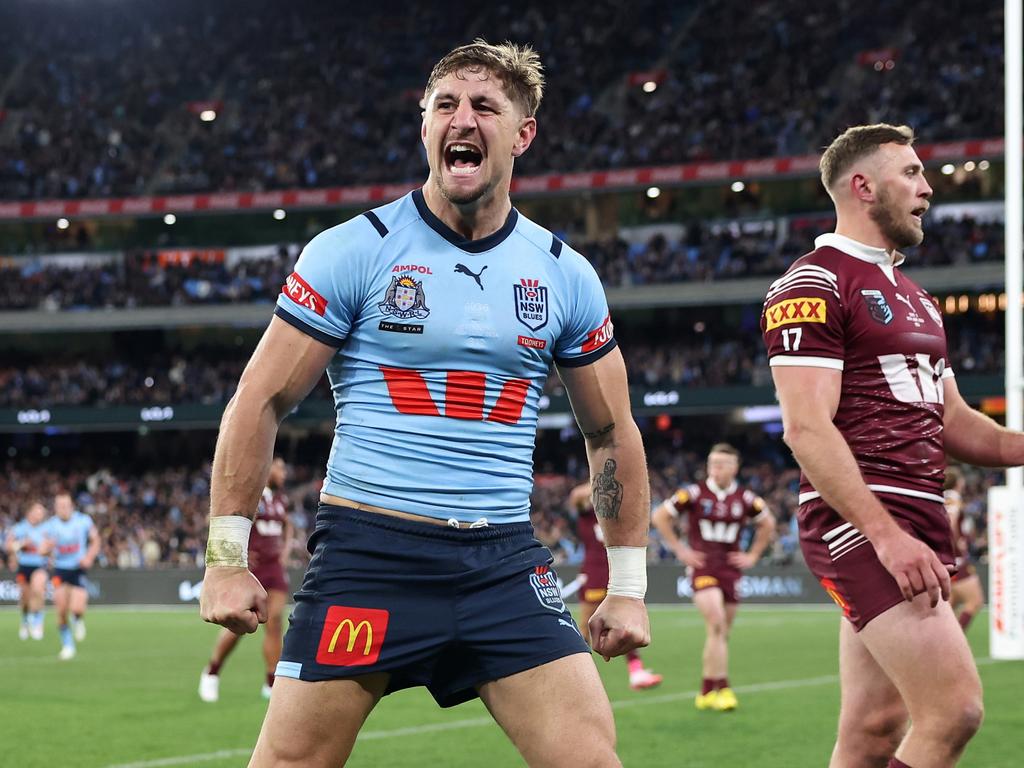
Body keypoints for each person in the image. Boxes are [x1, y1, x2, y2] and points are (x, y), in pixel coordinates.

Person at [199, 40, 651, 768]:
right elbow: (260, 399)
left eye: (482, 107)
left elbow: (610, 431)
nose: (460, 120)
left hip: (503, 561)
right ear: (425, 125)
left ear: (523, 134)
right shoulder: (355, 249)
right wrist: (225, 556)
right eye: (444, 105)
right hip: (371, 552)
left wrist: (627, 585)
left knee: (592, 760)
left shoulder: (565, 274)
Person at [761, 123, 1024, 768]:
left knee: (874, 729)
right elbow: (807, 428)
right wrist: (884, 534)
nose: (927, 189)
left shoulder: (919, 298)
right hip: (864, 519)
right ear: (862, 186)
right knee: (954, 710)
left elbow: (960, 425)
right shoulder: (813, 283)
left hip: (916, 513)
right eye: (910, 173)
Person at [651, 443, 775, 711]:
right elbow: (660, 516)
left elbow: (768, 523)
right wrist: (680, 549)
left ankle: (706, 690)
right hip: (703, 566)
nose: (715, 469)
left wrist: (753, 555)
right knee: (717, 623)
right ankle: (723, 688)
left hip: (730, 569)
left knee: (720, 633)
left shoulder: (745, 498)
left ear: (735, 468)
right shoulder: (693, 493)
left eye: (721, 464)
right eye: (712, 464)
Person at [200, 457, 295, 701]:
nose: (284, 472)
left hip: (274, 568)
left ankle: (271, 681)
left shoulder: (280, 500)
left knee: (274, 622)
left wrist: (285, 551)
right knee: (238, 625)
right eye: (279, 467)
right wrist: (234, 552)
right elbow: (222, 516)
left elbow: (288, 525)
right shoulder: (253, 495)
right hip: (251, 568)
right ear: (268, 466)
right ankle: (212, 671)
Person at [567, 482, 662, 691]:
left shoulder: (614, 511)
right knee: (585, 626)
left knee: (624, 622)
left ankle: (636, 672)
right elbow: (576, 495)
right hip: (594, 570)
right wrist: (601, 480)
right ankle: (572, 677)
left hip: (615, 569)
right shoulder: (586, 511)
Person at [48, 491, 100, 660]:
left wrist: (89, 557)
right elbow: (43, 547)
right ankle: (68, 646)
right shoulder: (51, 525)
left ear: (71, 506)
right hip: (60, 570)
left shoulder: (84, 521)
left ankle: (77, 619)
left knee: (77, 608)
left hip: (78, 568)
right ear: (55, 508)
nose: (62, 509)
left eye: (65, 506)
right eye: (59, 506)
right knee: (61, 610)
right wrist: (45, 551)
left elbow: (96, 540)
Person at [942, 466, 984, 633]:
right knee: (975, 601)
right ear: (958, 482)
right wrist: (956, 545)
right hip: (956, 559)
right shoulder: (953, 497)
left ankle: (939, 647)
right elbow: (950, 524)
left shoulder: (943, 497)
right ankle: (953, 644)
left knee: (949, 607)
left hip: (948, 559)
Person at [5, 501, 53, 641]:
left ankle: (38, 621)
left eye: (42, 512)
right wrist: (20, 545)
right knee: (25, 598)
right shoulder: (20, 528)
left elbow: (51, 545)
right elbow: (8, 546)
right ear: (30, 512)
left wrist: (48, 551)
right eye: (38, 512)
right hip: (24, 566)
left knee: (38, 590)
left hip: (39, 566)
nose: (41, 515)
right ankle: (25, 620)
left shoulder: (46, 529)